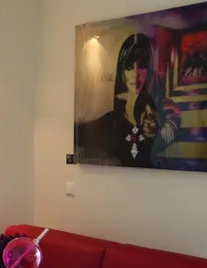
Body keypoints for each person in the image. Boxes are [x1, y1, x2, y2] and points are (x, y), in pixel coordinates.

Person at [75, 33, 180, 167]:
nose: (135, 74)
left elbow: (171, 123)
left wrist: (155, 129)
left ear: (149, 70)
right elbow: (80, 135)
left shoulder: (162, 111)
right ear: (122, 72)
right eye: (129, 67)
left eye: (141, 66)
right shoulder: (111, 121)